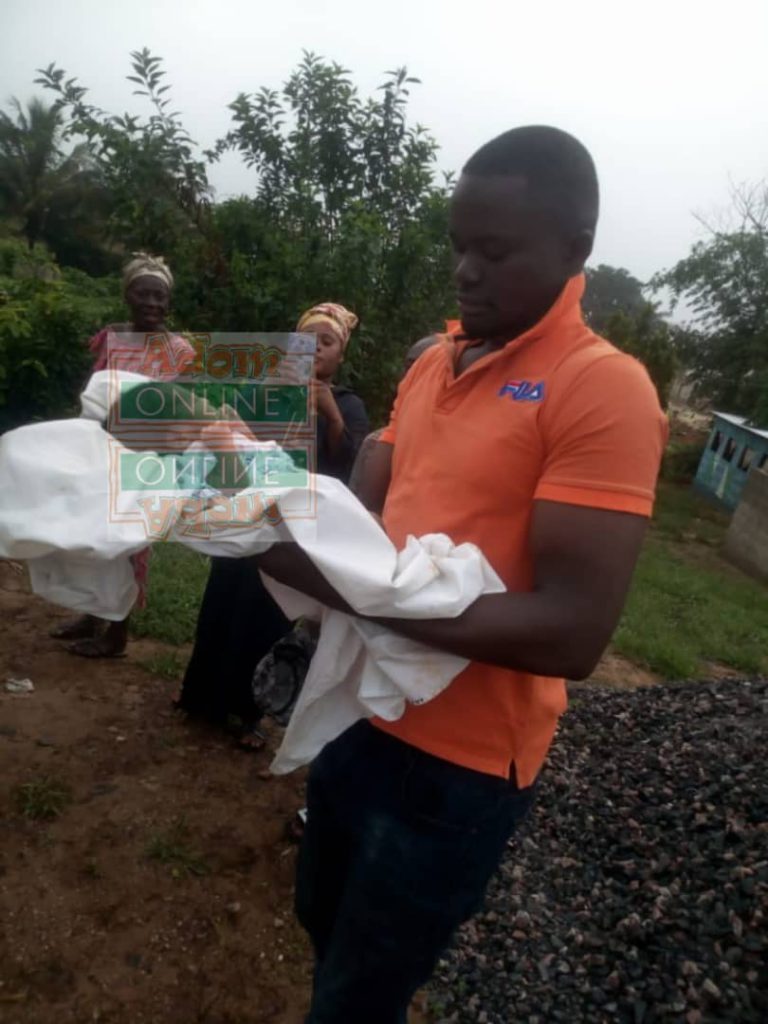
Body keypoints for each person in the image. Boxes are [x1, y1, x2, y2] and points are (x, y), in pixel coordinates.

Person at [252, 126, 669, 1023]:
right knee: (323, 923)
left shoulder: (601, 387)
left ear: (574, 251)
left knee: (362, 991)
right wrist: (253, 487)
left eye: (495, 250)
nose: (465, 272)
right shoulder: (438, 363)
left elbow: (573, 630)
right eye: (458, 247)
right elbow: (369, 504)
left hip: (459, 767)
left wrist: (342, 584)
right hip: (360, 703)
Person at [175, 302, 369, 746]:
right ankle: (199, 697)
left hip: (294, 526)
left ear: (340, 355)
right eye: (306, 340)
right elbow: (232, 437)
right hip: (248, 513)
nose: (315, 349)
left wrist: (330, 415)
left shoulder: (346, 404)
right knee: (222, 599)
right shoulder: (268, 391)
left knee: (266, 613)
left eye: (327, 342)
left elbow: (352, 465)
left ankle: (249, 714)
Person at [50, 253, 194, 658]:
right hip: (103, 452)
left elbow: (178, 407)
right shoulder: (113, 340)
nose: (152, 303)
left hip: (144, 458)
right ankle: (91, 613)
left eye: (160, 296)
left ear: (169, 302)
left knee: (130, 544)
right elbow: (95, 389)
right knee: (95, 537)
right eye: (143, 294)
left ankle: (116, 634)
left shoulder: (179, 351)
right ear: (127, 295)